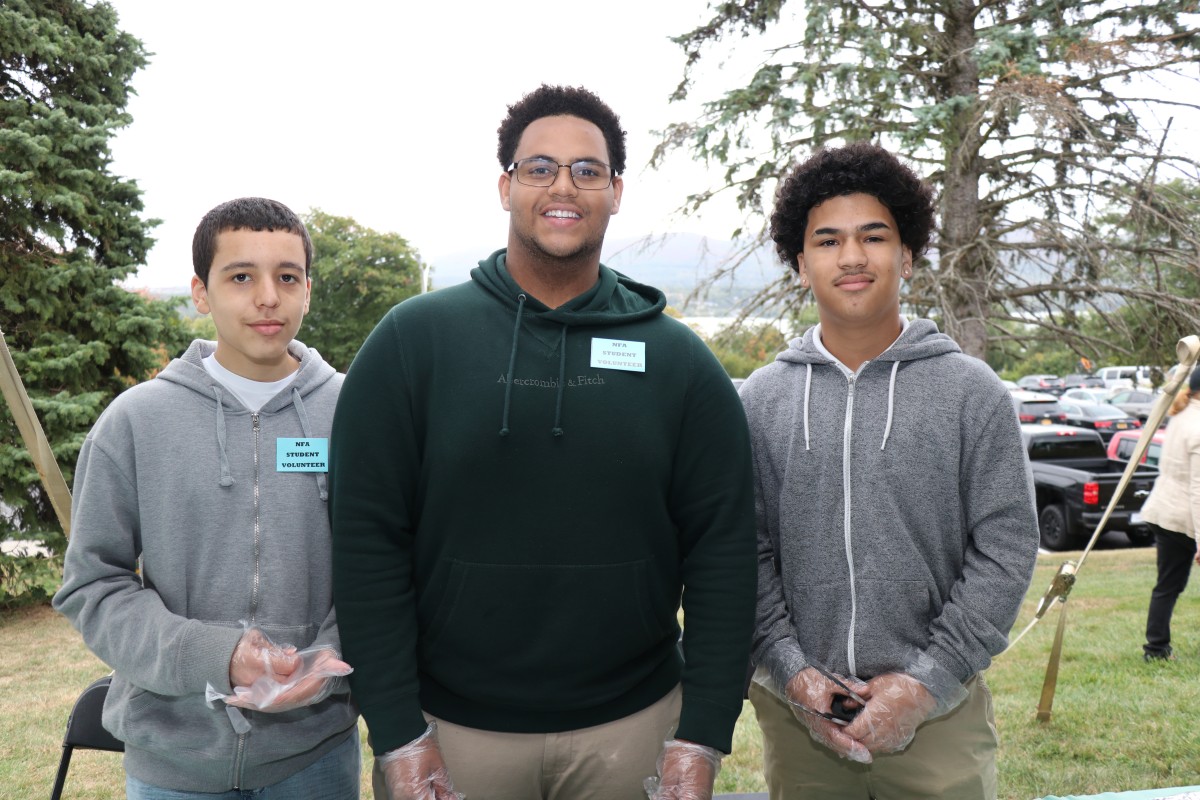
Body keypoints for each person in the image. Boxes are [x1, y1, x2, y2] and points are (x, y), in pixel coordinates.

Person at [328, 84, 756, 800]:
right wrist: (397, 729)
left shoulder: (679, 361)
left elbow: (724, 555)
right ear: (505, 186)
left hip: (634, 730)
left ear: (616, 191)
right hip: (450, 733)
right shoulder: (412, 343)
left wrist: (704, 733)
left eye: (588, 170)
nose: (565, 186)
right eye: (540, 168)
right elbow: (366, 547)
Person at [738, 143, 1039, 799]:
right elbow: (745, 547)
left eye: (873, 236)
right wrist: (791, 671)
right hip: (799, 721)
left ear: (906, 254)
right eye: (828, 240)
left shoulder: (971, 392)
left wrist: (929, 680)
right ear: (799, 263)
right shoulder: (760, 399)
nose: (851, 257)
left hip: (940, 724)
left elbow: (1006, 545)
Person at [54, 198, 360, 799]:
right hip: (173, 764)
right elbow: (93, 584)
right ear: (201, 292)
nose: (267, 297)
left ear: (307, 290)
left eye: (287, 277)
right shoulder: (135, 423)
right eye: (241, 276)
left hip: (315, 758)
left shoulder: (358, 415)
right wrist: (215, 655)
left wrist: (324, 659)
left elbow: (389, 565)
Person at [1139, 365, 1200, 662]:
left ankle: (1156, 646)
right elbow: (1198, 490)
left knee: (1168, 585)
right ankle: (1156, 649)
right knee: (1170, 584)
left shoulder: (1181, 415)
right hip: (1181, 517)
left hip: (1163, 510)